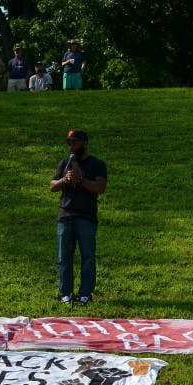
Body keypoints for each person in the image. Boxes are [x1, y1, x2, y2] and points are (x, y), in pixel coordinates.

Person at [49, 129, 107, 305]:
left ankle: (85, 294)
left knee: (87, 256)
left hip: (86, 217)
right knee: (64, 257)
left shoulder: (96, 164)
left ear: (85, 143)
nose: (72, 146)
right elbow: (52, 186)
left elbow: (100, 187)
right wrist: (64, 181)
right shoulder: (65, 163)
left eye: (75, 142)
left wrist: (81, 180)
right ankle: (66, 293)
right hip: (65, 215)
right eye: (69, 143)